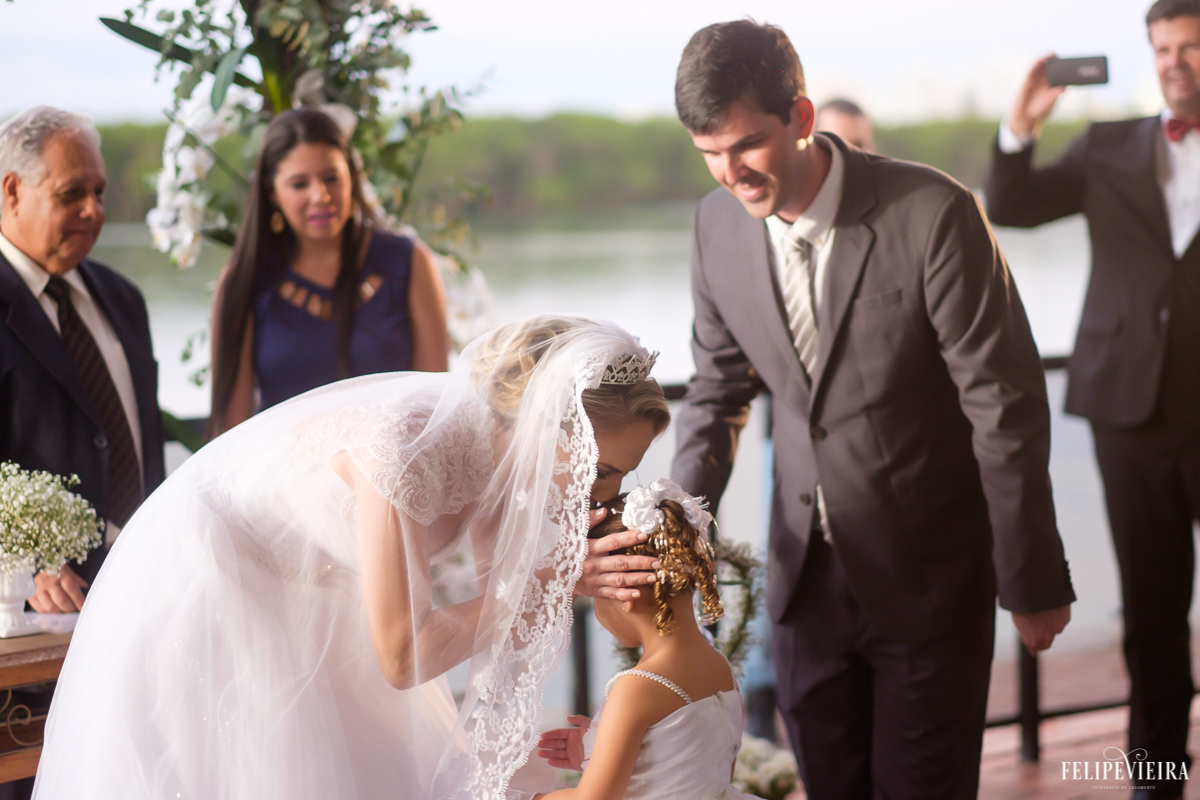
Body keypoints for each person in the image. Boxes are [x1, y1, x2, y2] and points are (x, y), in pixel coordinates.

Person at [669, 21, 1074, 798]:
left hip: (929, 584)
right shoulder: (712, 227)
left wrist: (1030, 572)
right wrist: (677, 536)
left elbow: (1005, 406)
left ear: (802, 117)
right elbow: (717, 394)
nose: (730, 173)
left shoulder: (935, 213)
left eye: (747, 146)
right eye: (708, 154)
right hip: (802, 592)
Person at [33, 315, 669, 800]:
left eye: (618, 476)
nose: (602, 492)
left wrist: (589, 737)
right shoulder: (405, 449)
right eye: (599, 468)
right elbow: (403, 655)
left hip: (322, 590)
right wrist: (555, 585)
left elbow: (498, 618)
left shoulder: (513, 468)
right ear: (539, 427)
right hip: (214, 575)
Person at [986, 1, 1200, 794]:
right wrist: (1021, 125)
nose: (1176, 60)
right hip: (1128, 413)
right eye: (1165, 47)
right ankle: (1157, 775)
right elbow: (1011, 206)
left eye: (1192, 47)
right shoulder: (1108, 145)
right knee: (1150, 610)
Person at [0, 106, 164, 607]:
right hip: (37, 617)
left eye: (99, 192)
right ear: (11, 193)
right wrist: (23, 569)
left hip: (149, 583)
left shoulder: (123, 298)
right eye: (72, 193)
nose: (94, 210)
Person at [208, 107, 450, 437]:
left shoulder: (408, 261)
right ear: (272, 193)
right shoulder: (245, 281)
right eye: (298, 184)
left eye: (331, 178)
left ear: (353, 177)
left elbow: (437, 409)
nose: (320, 196)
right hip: (285, 482)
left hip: (396, 477)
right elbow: (229, 430)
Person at [532, 479, 751, 800]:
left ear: (622, 594)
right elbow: (705, 771)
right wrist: (600, 750)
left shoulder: (638, 687)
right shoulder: (719, 665)